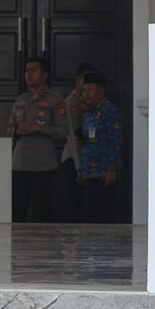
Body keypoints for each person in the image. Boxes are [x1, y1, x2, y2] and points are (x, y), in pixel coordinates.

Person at [7, 55, 69, 223]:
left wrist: (39, 128)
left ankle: (42, 247)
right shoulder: (20, 100)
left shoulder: (55, 100)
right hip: (20, 163)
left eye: (34, 71)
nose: (29, 75)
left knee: (42, 212)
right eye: (27, 71)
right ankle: (17, 247)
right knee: (17, 211)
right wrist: (18, 131)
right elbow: (9, 129)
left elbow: (64, 131)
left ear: (44, 74)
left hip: (43, 165)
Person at [79, 72, 124, 223]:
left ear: (101, 91)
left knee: (101, 217)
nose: (86, 94)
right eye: (84, 90)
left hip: (103, 173)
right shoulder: (89, 113)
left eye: (90, 90)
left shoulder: (110, 112)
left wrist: (112, 168)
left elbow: (116, 142)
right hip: (89, 173)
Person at [59, 61, 97, 222]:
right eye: (85, 79)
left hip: (88, 158)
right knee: (76, 201)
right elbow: (72, 137)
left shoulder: (88, 102)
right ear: (78, 80)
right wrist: (79, 167)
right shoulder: (72, 103)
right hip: (74, 159)